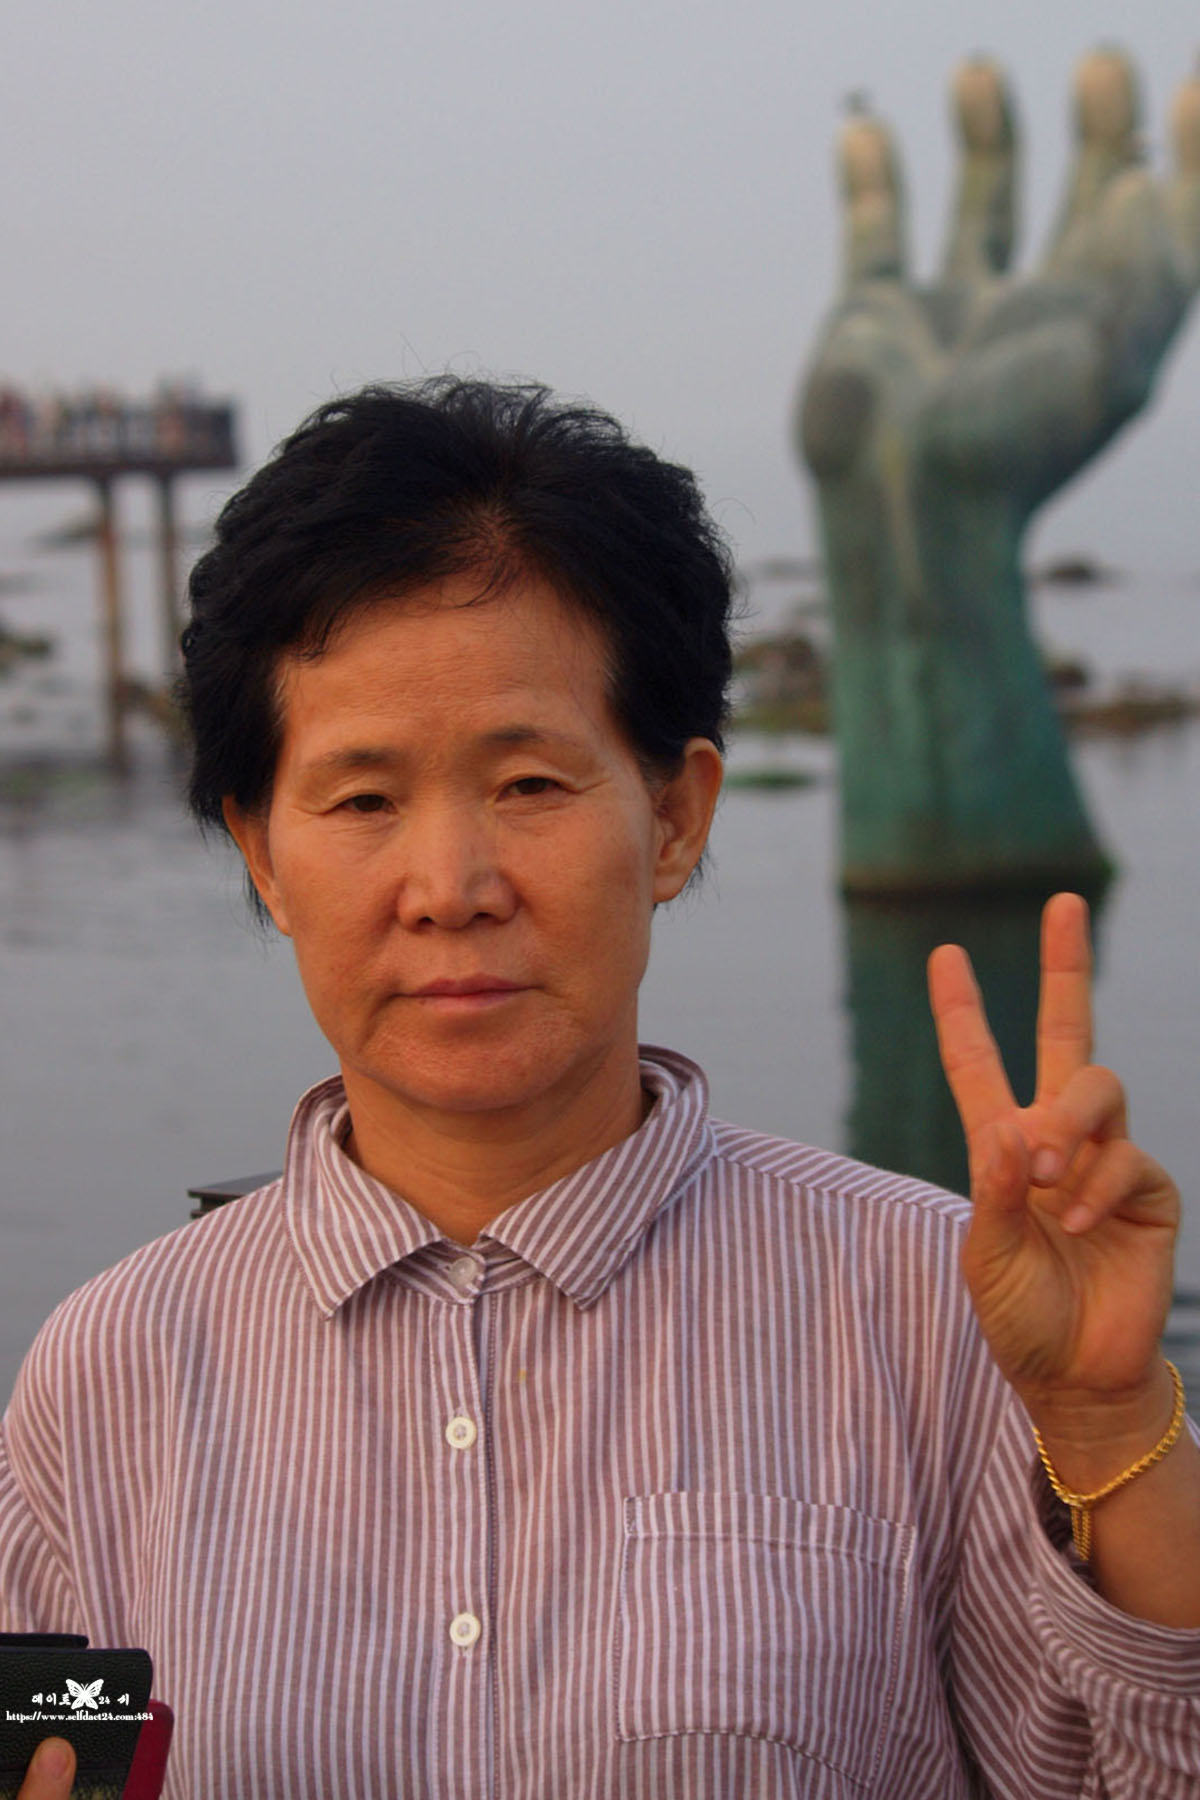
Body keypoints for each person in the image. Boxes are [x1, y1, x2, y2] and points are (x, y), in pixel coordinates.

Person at [3, 378, 1198, 1800]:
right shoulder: (110, 1374)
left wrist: (1115, 1428)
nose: (451, 888)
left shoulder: (932, 1312)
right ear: (262, 854)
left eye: (529, 784)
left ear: (675, 815)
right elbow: (51, 1768)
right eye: (364, 800)